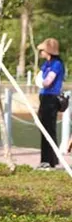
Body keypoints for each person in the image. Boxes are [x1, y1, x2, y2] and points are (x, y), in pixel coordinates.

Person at [37, 38, 64, 169]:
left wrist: (40, 82)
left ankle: (50, 160)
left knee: (49, 129)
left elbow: (48, 81)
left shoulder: (56, 64)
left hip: (51, 98)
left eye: (42, 50)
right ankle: (45, 159)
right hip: (43, 97)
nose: (41, 52)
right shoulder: (46, 64)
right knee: (43, 129)